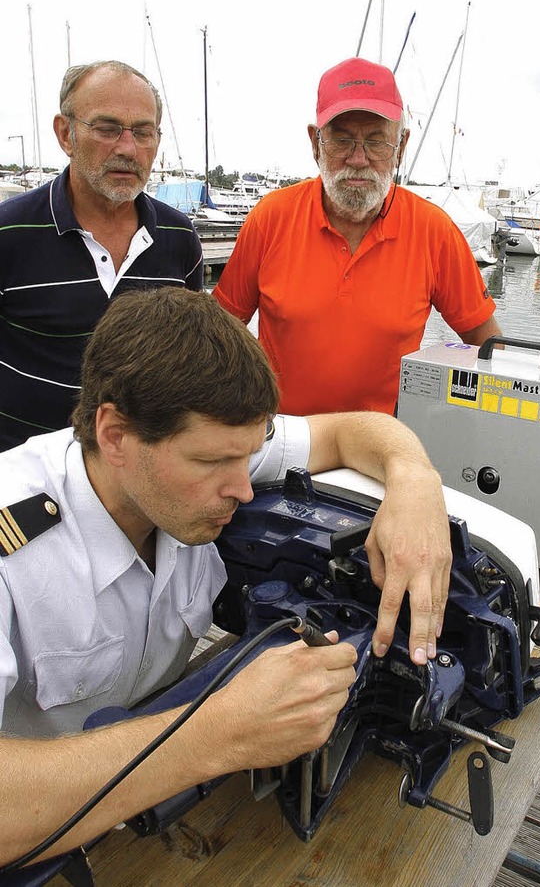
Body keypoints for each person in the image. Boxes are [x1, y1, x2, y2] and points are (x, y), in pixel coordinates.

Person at [0, 286, 451, 866]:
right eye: (213, 463)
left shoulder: (201, 445)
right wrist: (218, 735)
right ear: (114, 436)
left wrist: (416, 483)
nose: (243, 487)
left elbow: (352, 430)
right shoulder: (15, 535)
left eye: (251, 454)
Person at [214, 56, 501, 417]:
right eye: (342, 140)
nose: (359, 159)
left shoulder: (434, 231)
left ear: (402, 146)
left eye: (377, 141)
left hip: (382, 446)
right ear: (315, 143)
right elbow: (220, 335)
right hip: (280, 438)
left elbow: (488, 345)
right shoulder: (269, 219)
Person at [0, 60, 203, 453]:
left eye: (143, 132)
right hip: (22, 478)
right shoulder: (9, 232)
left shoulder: (179, 238)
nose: (128, 148)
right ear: (66, 134)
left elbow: (184, 362)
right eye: (107, 129)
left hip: (136, 480)